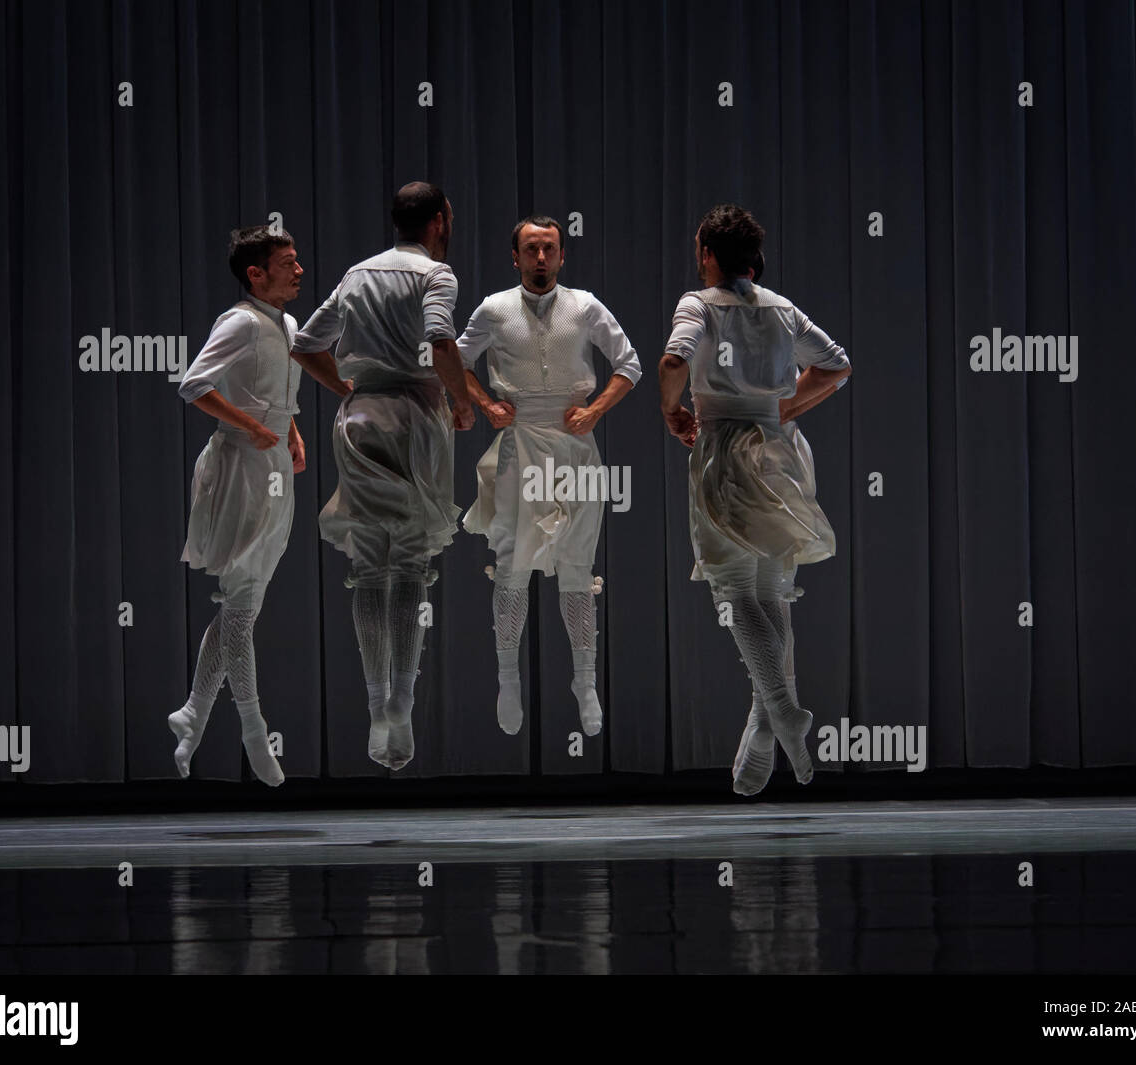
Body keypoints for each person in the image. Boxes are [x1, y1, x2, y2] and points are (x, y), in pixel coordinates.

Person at [659, 204, 851, 795]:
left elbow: (672, 360)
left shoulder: (698, 303)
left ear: (709, 255)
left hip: (723, 446)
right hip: (780, 448)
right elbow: (836, 365)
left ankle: (783, 712)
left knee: (737, 590)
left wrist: (672, 409)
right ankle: (764, 729)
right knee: (773, 592)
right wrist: (784, 406)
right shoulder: (781, 308)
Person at [290, 182, 475, 771]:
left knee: (369, 562)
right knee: (412, 560)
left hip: (360, 416)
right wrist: (462, 400)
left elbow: (303, 344)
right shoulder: (436, 275)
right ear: (440, 221)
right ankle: (401, 699)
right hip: (416, 415)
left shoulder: (357, 273)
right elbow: (441, 339)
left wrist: (346, 387)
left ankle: (378, 702)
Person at [457, 216, 641, 737]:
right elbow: (452, 360)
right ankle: (508, 678)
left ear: (562, 256)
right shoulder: (493, 309)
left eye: (550, 249)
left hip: (576, 441)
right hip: (521, 440)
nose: (542, 258)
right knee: (513, 564)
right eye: (532, 249)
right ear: (514, 257)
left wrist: (597, 410)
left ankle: (585, 681)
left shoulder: (585, 306)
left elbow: (629, 364)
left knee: (578, 567)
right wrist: (486, 403)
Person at [168, 225, 307, 786]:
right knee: (242, 606)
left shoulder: (288, 324)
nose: (299, 270)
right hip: (242, 467)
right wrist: (251, 424)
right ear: (256, 274)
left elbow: (278, 393)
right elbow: (193, 384)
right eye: (287, 263)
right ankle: (252, 726)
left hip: (273, 464)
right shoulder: (241, 321)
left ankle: (194, 714)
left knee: (240, 606)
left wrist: (290, 429)